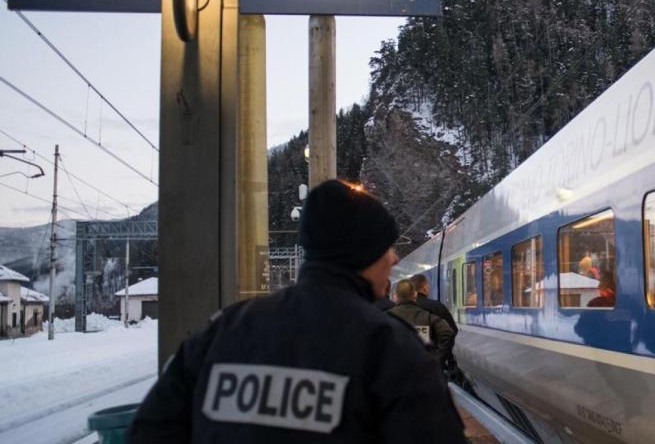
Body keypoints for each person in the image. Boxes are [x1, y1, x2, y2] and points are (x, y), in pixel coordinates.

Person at [127, 179, 464, 443]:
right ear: (362, 252)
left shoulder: (222, 332)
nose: (393, 259)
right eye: (386, 248)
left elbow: (151, 431)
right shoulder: (391, 348)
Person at [388, 279, 454, 363]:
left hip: (396, 368)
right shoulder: (427, 316)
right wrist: (437, 358)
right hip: (423, 367)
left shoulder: (387, 317)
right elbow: (448, 333)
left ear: (396, 296)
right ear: (415, 295)